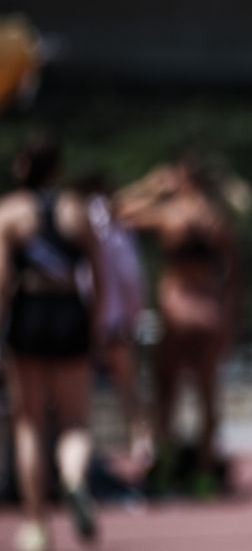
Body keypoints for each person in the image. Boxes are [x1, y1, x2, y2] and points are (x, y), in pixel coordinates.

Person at [0, 132, 103, 551]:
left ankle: (36, 524)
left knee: (29, 423)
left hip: (29, 312)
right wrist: (95, 324)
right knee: (75, 421)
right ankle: (74, 479)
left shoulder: (10, 212)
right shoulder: (77, 209)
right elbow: (99, 275)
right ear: (58, 168)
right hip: (68, 312)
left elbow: (2, 282)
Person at [115, 154, 241, 496]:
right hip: (210, 310)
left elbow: (115, 211)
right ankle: (204, 474)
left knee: (166, 394)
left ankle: (166, 471)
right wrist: (230, 316)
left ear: (182, 179)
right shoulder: (217, 217)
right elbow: (234, 272)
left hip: (178, 310)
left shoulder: (172, 214)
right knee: (208, 397)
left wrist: (152, 186)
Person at [78, 172, 148, 478]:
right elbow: (131, 276)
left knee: (76, 395)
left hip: (81, 318)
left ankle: (78, 457)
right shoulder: (118, 230)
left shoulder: (74, 221)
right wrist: (134, 315)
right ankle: (143, 447)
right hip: (115, 320)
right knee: (128, 388)